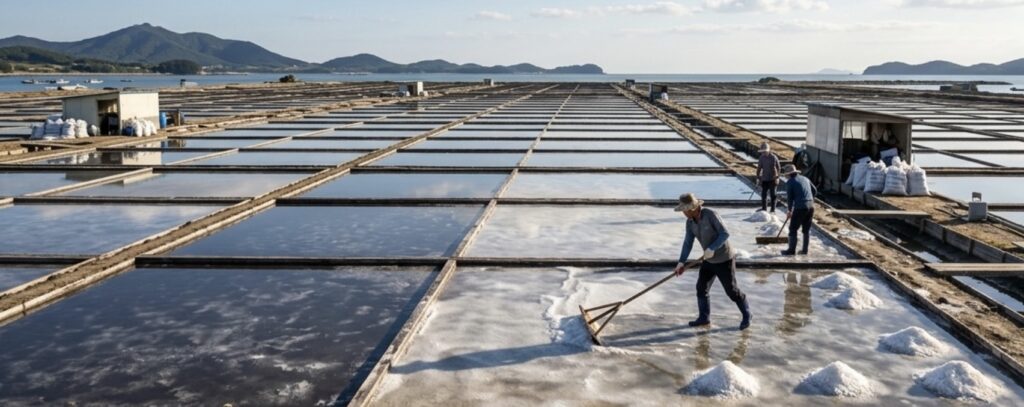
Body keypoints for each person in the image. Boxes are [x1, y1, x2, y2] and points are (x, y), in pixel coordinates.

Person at [673, 193, 752, 330]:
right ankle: (704, 318)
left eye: (684, 210)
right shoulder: (690, 222)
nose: (683, 213)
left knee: (731, 291)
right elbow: (688, 243)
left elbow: (725, 233)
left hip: (724, 259)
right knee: (701, 288)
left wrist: (712, 248)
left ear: (692, 208)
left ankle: (747, 314)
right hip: (708, 260)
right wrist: (681, 262)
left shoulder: (710, 215)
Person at [781, 164, 817, 256]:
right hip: (811, 207)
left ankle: (791, 251)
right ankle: (805, 250)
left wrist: (789, 210)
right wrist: (809, 199)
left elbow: (790, 198)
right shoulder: (805, 179)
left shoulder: (790, 182)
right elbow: (815, 190)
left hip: (800, 208)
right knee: (806, 229)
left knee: (792, 228)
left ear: (788, 174)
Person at [755, 141, 781, 213]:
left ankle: (773, 210)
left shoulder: (773, 157)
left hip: (773, 179)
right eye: (762, 152)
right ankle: (764, 209)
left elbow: (779, 168)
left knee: (773, 195)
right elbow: (759, 168)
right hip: (765, 179)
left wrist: (777, 177)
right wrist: (758, 177)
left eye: (765, 151)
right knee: (764, 195)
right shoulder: (761, 158)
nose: (763, 153)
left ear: (768, 150)